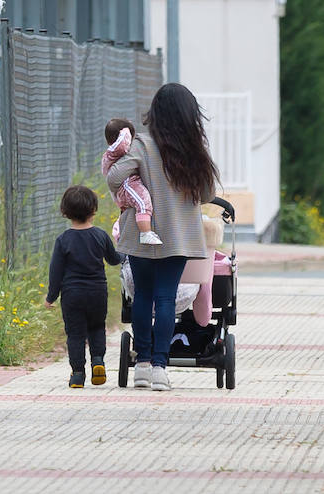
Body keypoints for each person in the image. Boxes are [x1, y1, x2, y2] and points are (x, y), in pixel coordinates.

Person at [107, 83, 218, 392]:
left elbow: (114, 178)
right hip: (178, 237)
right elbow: (208, 193)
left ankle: (140, 366)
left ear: (155, 113)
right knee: (166, 297)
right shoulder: (194, 149)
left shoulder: (142, 145)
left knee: (142, 295)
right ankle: (159, 368)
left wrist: (135, 188)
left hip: (143, 236)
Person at [44, 185, 122, 388]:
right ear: (94, 210)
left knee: (76, 334)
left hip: (72, 294)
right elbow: (113, 260)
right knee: (97, 328)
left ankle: (78, 374)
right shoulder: (100, 236)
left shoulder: (63, 240)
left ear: (65, 212)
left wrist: (51, 297)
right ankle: (98, 361)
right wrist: (125, 254)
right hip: (97, 292)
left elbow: (56, 272)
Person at [101, 118, 162, 245]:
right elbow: (122, 144)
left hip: (127, 185)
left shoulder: (114, 153)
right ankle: (145, 232)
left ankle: (123, 233)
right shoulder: (115, 151)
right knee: (143, 202)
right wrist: (126, 132)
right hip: (127, 184)